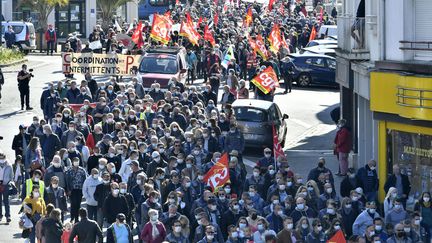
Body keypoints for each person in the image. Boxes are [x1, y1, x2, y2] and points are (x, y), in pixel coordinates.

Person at [0, 152, 13, 223]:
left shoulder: (9, 165)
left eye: (2, 158)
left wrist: (9, 182)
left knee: (6, 201)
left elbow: (12, 176)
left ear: (5, 158)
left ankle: (8, 216)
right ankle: (0, 216)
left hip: (6, 185)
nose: (1, 160)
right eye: (0, 158)